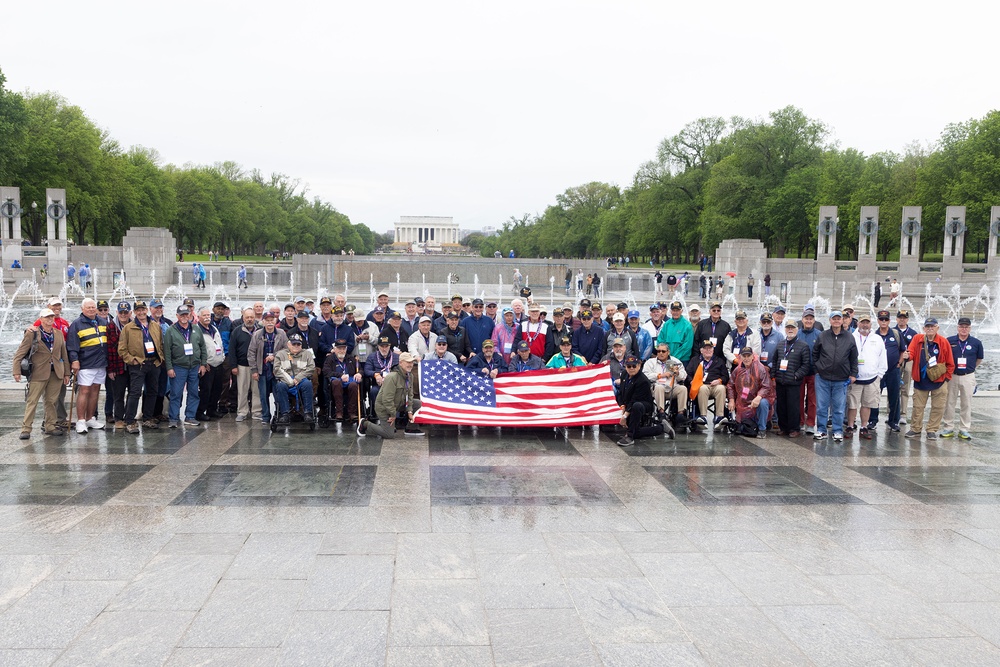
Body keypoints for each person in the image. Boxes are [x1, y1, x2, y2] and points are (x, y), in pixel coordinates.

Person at [13, 308, 69, 438]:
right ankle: (26, 429)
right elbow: (20, 353)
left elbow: (64, 355)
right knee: (32, 401)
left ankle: (50, 425)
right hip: (38, 372)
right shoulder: (32, 333)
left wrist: (67, 373)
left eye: (51, 317)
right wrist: (16, 371)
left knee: (51, 401)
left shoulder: (58, 333)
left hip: (56, 372)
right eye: (46, 317)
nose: (50, 319)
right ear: (41, 319)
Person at [811, 311, 858, 442]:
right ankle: (821, 430)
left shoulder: (849, 337)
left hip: (841, 379)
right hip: (822, 378)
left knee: (838, 408)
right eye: (834, 319)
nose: (836, 321)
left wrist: (853, 374)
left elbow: (854, 357)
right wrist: (817, 369)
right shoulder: (823, 336)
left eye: (839, 319)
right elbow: (815, 353)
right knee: (821, 406)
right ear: (830, 321)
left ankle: (837, 431)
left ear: (842, 321)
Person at [118, 300, 164, 434]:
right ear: (134, 312)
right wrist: (132, 360)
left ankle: (148, 418)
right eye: (138, 310)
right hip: (138, 364)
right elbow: (122, 349)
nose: (141, 312)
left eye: (143, 309)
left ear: (147, 310)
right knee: (135, 392)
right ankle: (130, 421)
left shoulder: (155, 326)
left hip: (153, 363)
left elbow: (160, 344)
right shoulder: (128, 328)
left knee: (152, 391)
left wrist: (160, 358)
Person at [905, 318, 954, 439]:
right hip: (921, 380)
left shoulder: (943, 341)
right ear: (924, 328)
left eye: (932, 326)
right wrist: (907, 355)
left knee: (938, 407)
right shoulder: (917, 339)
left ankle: (932, 429)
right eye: (927, 327)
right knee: (918, 406)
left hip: (939, 381)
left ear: (937, 328)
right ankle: (915, 428)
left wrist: (946, 379)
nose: (930, 328)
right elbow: (911, 352)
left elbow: (950, 363)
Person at [66, 298, 109, 434]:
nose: (91, 309)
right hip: (86, 363)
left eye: (93, 307)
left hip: (101, 363)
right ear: (82, 309)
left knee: (95, 390)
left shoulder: (102, 322)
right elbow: (72, 345)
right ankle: (81, 420)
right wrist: (74, 360)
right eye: (88, 307)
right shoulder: (77, 324)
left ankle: (90, 418)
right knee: (84, 391)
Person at [163, 304, 207, 427]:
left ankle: (190, 416)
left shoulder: (196, 329)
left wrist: (203, 364)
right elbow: (167, 351)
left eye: (186, 314)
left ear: (190, 315)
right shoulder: (171, 331)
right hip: (178, 366)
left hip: (194, 366)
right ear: (177, 316)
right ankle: (173, 418)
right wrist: (169, 368)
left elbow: (202, 347)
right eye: (181, 315)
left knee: (193, 393)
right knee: (176, 393)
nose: (184, 317)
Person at [358, 352, 422, 438]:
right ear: (400, 363)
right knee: (389, 434)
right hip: (384, 408)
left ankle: (411, 428)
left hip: (397, 404)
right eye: (408, 362)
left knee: (417, 403)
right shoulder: (392, 377)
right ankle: (365, 424)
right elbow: (387, 399)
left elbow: (410, 395)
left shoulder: (410, 376)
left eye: (411, 362)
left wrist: (410, 411)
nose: (410, 365)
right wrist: (393, 414)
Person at [846, 313, 887, 440]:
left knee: (867, 404)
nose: (865, 325)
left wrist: (879, 375)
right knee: (852, 404)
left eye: (867, 322)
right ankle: (850, 426)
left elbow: (882, 358)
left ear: (871, 324)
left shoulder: (877, 338)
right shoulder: (851, 337)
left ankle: (864, 427)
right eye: (862, 322)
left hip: (872, 378)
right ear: (858, 323)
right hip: (855, 378)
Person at [942, 317, 982, 440]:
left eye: (966, 327)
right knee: (949, 402)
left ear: (970, 328)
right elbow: (944, 357)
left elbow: (979, 359)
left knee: (966, 403)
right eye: (961, 327)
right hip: (952, 376)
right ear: (958, 327)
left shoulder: (976, 342)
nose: (964, 329)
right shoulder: (949, 341)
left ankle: (964, 429)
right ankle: (948, 427)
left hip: (968, 376)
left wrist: (969, 369)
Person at [615, 354, 666, 446]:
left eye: (634, 366)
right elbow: (620, 393)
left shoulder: (642, 380)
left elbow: (635, 399)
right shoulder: (624, 374)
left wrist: (625, 416)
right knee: (636, 431)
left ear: (639, 366)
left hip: (643, 404)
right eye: (629, 366)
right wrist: (622, 406)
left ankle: (629, 436)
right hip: (629, 403)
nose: (631, 368)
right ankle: (661, 428)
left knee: (636, 405)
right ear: (625, 366)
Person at [771, 319, 810, 437]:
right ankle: (783, 427)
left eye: (792, 328)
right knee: (781, 406)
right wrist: (773, 376)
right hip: (780, 380)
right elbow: (775, 361)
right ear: (785, 329)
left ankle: (794, 428)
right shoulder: (780, 344)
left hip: (793, 381)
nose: (790, 330)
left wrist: (796, 375)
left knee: (793, 406)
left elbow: (806, 365)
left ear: (797, 329)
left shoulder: (803, 346)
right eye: (788, 328)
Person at [248, 311, 288, 425]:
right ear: (263, 321)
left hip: (277, 370)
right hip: (262, 370)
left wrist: (275, 356)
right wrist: (254, 370)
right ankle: (265, 416)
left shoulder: (281, 333)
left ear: (275, 321)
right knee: (263, 395)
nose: (270, 323)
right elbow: (251, 353)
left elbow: (287, 351)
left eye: (272, 320)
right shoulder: (257, 334)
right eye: (267, 320)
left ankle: (278, 414)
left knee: (278, 393)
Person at [868, 310, 903, 433]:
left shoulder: (896, 334)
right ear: (877, 320)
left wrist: (899, 363)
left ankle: (893, 422)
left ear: (889, 320)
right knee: (875, 396)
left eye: (886, 319)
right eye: (881, 319)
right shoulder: (873, 335)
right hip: (878, 372)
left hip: (893, 370)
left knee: (894, 397)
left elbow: (903, 350)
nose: (883, 322)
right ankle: (872, 420)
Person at [727, 346, 774, 438]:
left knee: (763, 403)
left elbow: (767, 386)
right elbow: (730, 385)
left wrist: (758, 397)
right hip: (744, 402)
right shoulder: (737, 370)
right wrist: (731, 400)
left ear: (753, 356)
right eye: (744, 356)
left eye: (749, 356)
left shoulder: (760, 369)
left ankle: (762, 429)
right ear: (740, 357)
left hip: (758, 399)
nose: (746, 358)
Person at [686, 340, 729, 430]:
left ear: (713, 350)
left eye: (710, 348)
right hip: (701, 385)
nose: (708, 350)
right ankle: (703, 416)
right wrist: (691, 381)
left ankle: (719, 417)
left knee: (721, 388)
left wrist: (719, 380)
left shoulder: (719, 361)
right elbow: (688, 374)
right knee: (703, 388)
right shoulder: (695, 360)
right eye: (705, 349)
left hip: (715, 386)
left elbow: (725, 376)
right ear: (701, 350)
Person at [273, 333, 316, 424]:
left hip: (301, 379)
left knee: (308, 384)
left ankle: (308, 413)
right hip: (286, 379)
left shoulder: (307, 354)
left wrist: (299, 378)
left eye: (298, 344)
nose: (296, 346)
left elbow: (311, 368)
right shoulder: (280, 354)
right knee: (280, 386)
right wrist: (290, 381)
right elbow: (277, 369)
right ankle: (285, 414)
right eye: (294, 344)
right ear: (288, 344)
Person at [227, 308, 260, 422]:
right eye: (247, 317)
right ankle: (242, 412)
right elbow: (231, 349)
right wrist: (233, 366)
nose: (249, 320)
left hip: (256, 366)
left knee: (256, 390)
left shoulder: (260, 330)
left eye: (251, 317)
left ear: (254, 317)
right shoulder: (237, 331)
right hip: (242, 366)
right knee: (242, 390)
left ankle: (257, 411)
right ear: (243, 317)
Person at [105, 301, 133, 429]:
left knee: (133, 393)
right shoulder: (111, 326)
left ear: (130, 313)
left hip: (133, 367)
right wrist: (110, 369)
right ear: (116, 312)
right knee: (118, 394)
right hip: (117, 366)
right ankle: (118, 418)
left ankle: (129, 417)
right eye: (121, 312)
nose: (123, 315)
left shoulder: (134, 325)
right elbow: (109, 349)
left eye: (125, 312)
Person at [195, 307, 226, 423]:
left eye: (208, 315)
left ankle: (212, 410)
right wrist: (202, 362)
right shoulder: (197, 330)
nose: (207, 317)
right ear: (198, 317)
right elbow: (195, 348)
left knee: (217, 389)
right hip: (207, 365)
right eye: (204, 315)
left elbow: (219, 344)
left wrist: (222, 357)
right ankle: (200, 412)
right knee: (205, 390)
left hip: (218, 363)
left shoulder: (214, 328)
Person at [643, 342, 687, 417]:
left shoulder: (676, 361)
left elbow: (684, 376)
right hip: (656, 389)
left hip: (672, 388)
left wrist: (678, 373)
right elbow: (645, 376)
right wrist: (659, 375)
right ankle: (661, 412)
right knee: (659, 387)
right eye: (658, 351)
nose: (660, 353)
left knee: (683, 388)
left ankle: (681, 414)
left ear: (668, 352)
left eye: (663, 351)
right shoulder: (650, 362)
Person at [797, 307, 823, 435]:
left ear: (814, 320)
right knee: (799, 398)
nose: (808, 321)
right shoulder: (797, 333)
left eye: (810, 319)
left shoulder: (819, 334)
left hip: (814, 372)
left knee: (813, 400)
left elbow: (823, 353)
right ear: (802, 320)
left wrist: (819, 368)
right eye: (806, 318)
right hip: (800, 372)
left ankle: (811, 423)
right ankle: (801, 421)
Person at [324, 339, 362, 422]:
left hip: (349, 382)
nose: (342, 351)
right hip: (336, 383)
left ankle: (352, 413)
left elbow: (360, 369)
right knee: (336, 383)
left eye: (343, 348)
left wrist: (359, 374)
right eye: (339, 348)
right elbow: (326, 372)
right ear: (335, 349)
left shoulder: (351, 358)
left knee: (354, 385)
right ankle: (339, 412)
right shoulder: (330, 359)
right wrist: (340, 375)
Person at [894, 310, 918, 424]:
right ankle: (892, 412)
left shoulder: (913, 333)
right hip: (895, 361)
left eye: (904, 318)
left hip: (908, 361)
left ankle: (903, 413)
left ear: (907, 319)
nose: (902, 319)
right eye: (900, 317)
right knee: (893, 387)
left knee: (905, 388)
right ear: (896, 319)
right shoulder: (892, 331)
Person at [365, 336, 400, 408]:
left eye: (386, 346)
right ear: (378, 346)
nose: (384, 348)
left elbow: (401, 371)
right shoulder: (372, 356)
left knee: (399, 391)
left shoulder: (397, 357)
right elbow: (367, 370)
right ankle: (379, 413)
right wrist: (376, 374)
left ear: (390, 346)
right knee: (373, 391)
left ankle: (395, 413)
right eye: (382, 346)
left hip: (394, 384)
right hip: (378, 384)